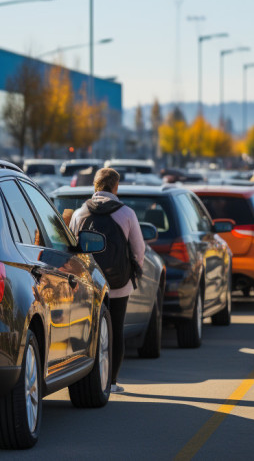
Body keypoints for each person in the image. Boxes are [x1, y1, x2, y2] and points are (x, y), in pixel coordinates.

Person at [69, 167, 145, 394]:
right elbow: (139, 250)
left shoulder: (79, 213)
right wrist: (134, 270)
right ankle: (111, 382)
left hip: (88, 285)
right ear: (115, 187)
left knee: (85, 330)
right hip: (118, 283)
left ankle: (81, 377)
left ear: (95, 186)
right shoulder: (126, 214)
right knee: (115, 330)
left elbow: (72, 249)